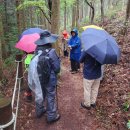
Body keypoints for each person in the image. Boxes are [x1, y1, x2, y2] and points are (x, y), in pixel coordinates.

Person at [28, 30, 61, 123]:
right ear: (49, 41)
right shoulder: (51, 52)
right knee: (50, 96)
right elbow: (57, 69)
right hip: (50, 79)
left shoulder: (36, 51)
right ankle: (51, 116)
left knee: (41, 94)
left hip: (39, 78)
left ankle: (39, 111)